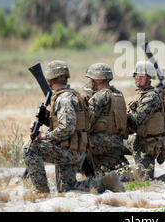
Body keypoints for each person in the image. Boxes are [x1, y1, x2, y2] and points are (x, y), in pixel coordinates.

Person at [22, 60, 125, 194]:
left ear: (51, 80)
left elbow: (67, 128)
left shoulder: (64, 99)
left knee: (29, 148)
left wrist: (44, 135)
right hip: (75, 149)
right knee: (66, 188)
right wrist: (48, 119)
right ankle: (104, 182)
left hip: (69, 150)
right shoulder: (72, 95)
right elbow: (75, 124)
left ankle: (41, 192)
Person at [82, 63, 131, 178]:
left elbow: (87, 124)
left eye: (91, 79)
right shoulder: (118, 94)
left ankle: (89, 176)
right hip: (117, 142)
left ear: (98, 80)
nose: (90, 82)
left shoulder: (99, 97)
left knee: (74, 143)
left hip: (101, 143)